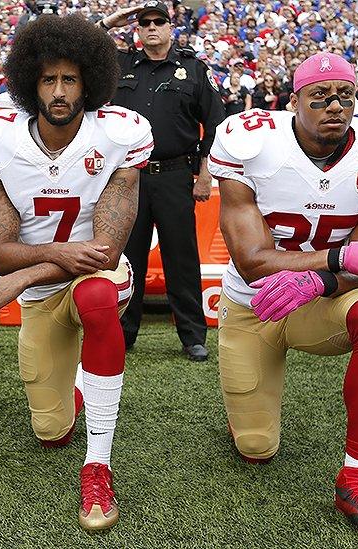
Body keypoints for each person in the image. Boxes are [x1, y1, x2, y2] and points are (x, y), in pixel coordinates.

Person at [208, 52, 358, 549]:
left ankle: (357, 479)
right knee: (256, 447)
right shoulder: (254, 142)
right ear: (293, 101)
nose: (335, 105)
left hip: (324, 303)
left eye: (346, 95)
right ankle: (246, 408)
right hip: (254, 306)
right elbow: (253, 261)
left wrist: (323, 281)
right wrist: (337, 262)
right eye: (320, 96)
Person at [0, 15, 152, 531]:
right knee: (50, 431)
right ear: (30, 83)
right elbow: (1, 252)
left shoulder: (119, 135)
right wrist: (43, 264)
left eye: (70, 79)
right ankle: (75, 390)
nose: (60, 90)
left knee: (96, 296)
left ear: (88, 82)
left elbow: (106, 252)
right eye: (49, 79)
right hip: (42, 294)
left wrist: (23, 275)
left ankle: (98, 466)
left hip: (92, 278)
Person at [98, 1, 225, 361]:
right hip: (127, 177)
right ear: (136, 30)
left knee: (181, 257)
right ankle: (123, 331)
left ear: (171, 28)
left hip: (174, 174)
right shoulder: (120, 65)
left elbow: (214, 122)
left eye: (159, 22)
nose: (152, 27)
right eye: (144, 23)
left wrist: (204, 173)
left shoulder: (193, 69)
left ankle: (192, 335)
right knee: (126, 255)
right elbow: (83, 44)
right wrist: (110, 22)